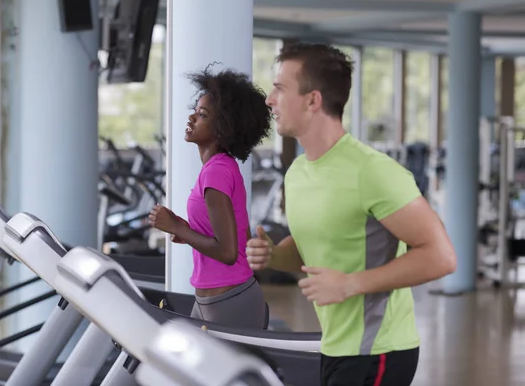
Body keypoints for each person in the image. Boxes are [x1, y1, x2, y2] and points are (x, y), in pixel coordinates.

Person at [246, 43, 457, 386]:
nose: (269, 99)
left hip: (379, 351)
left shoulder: (372, 171)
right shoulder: (298, 171)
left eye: (280, 88)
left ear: (313, 100)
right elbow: (312, 250)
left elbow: (441, 256)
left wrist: (349, 285)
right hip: (334, 345)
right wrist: (273, 254)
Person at [148, 66, 272, 329]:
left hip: (229, 301)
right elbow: (237, 238)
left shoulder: (217, 171)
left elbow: (227, 252)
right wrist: (188, 231)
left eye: (202, 115)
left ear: (222, 128)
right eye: (195, 110)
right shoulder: (217, 168)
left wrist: (176, 227)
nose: (192, 117)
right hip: (212, 301)